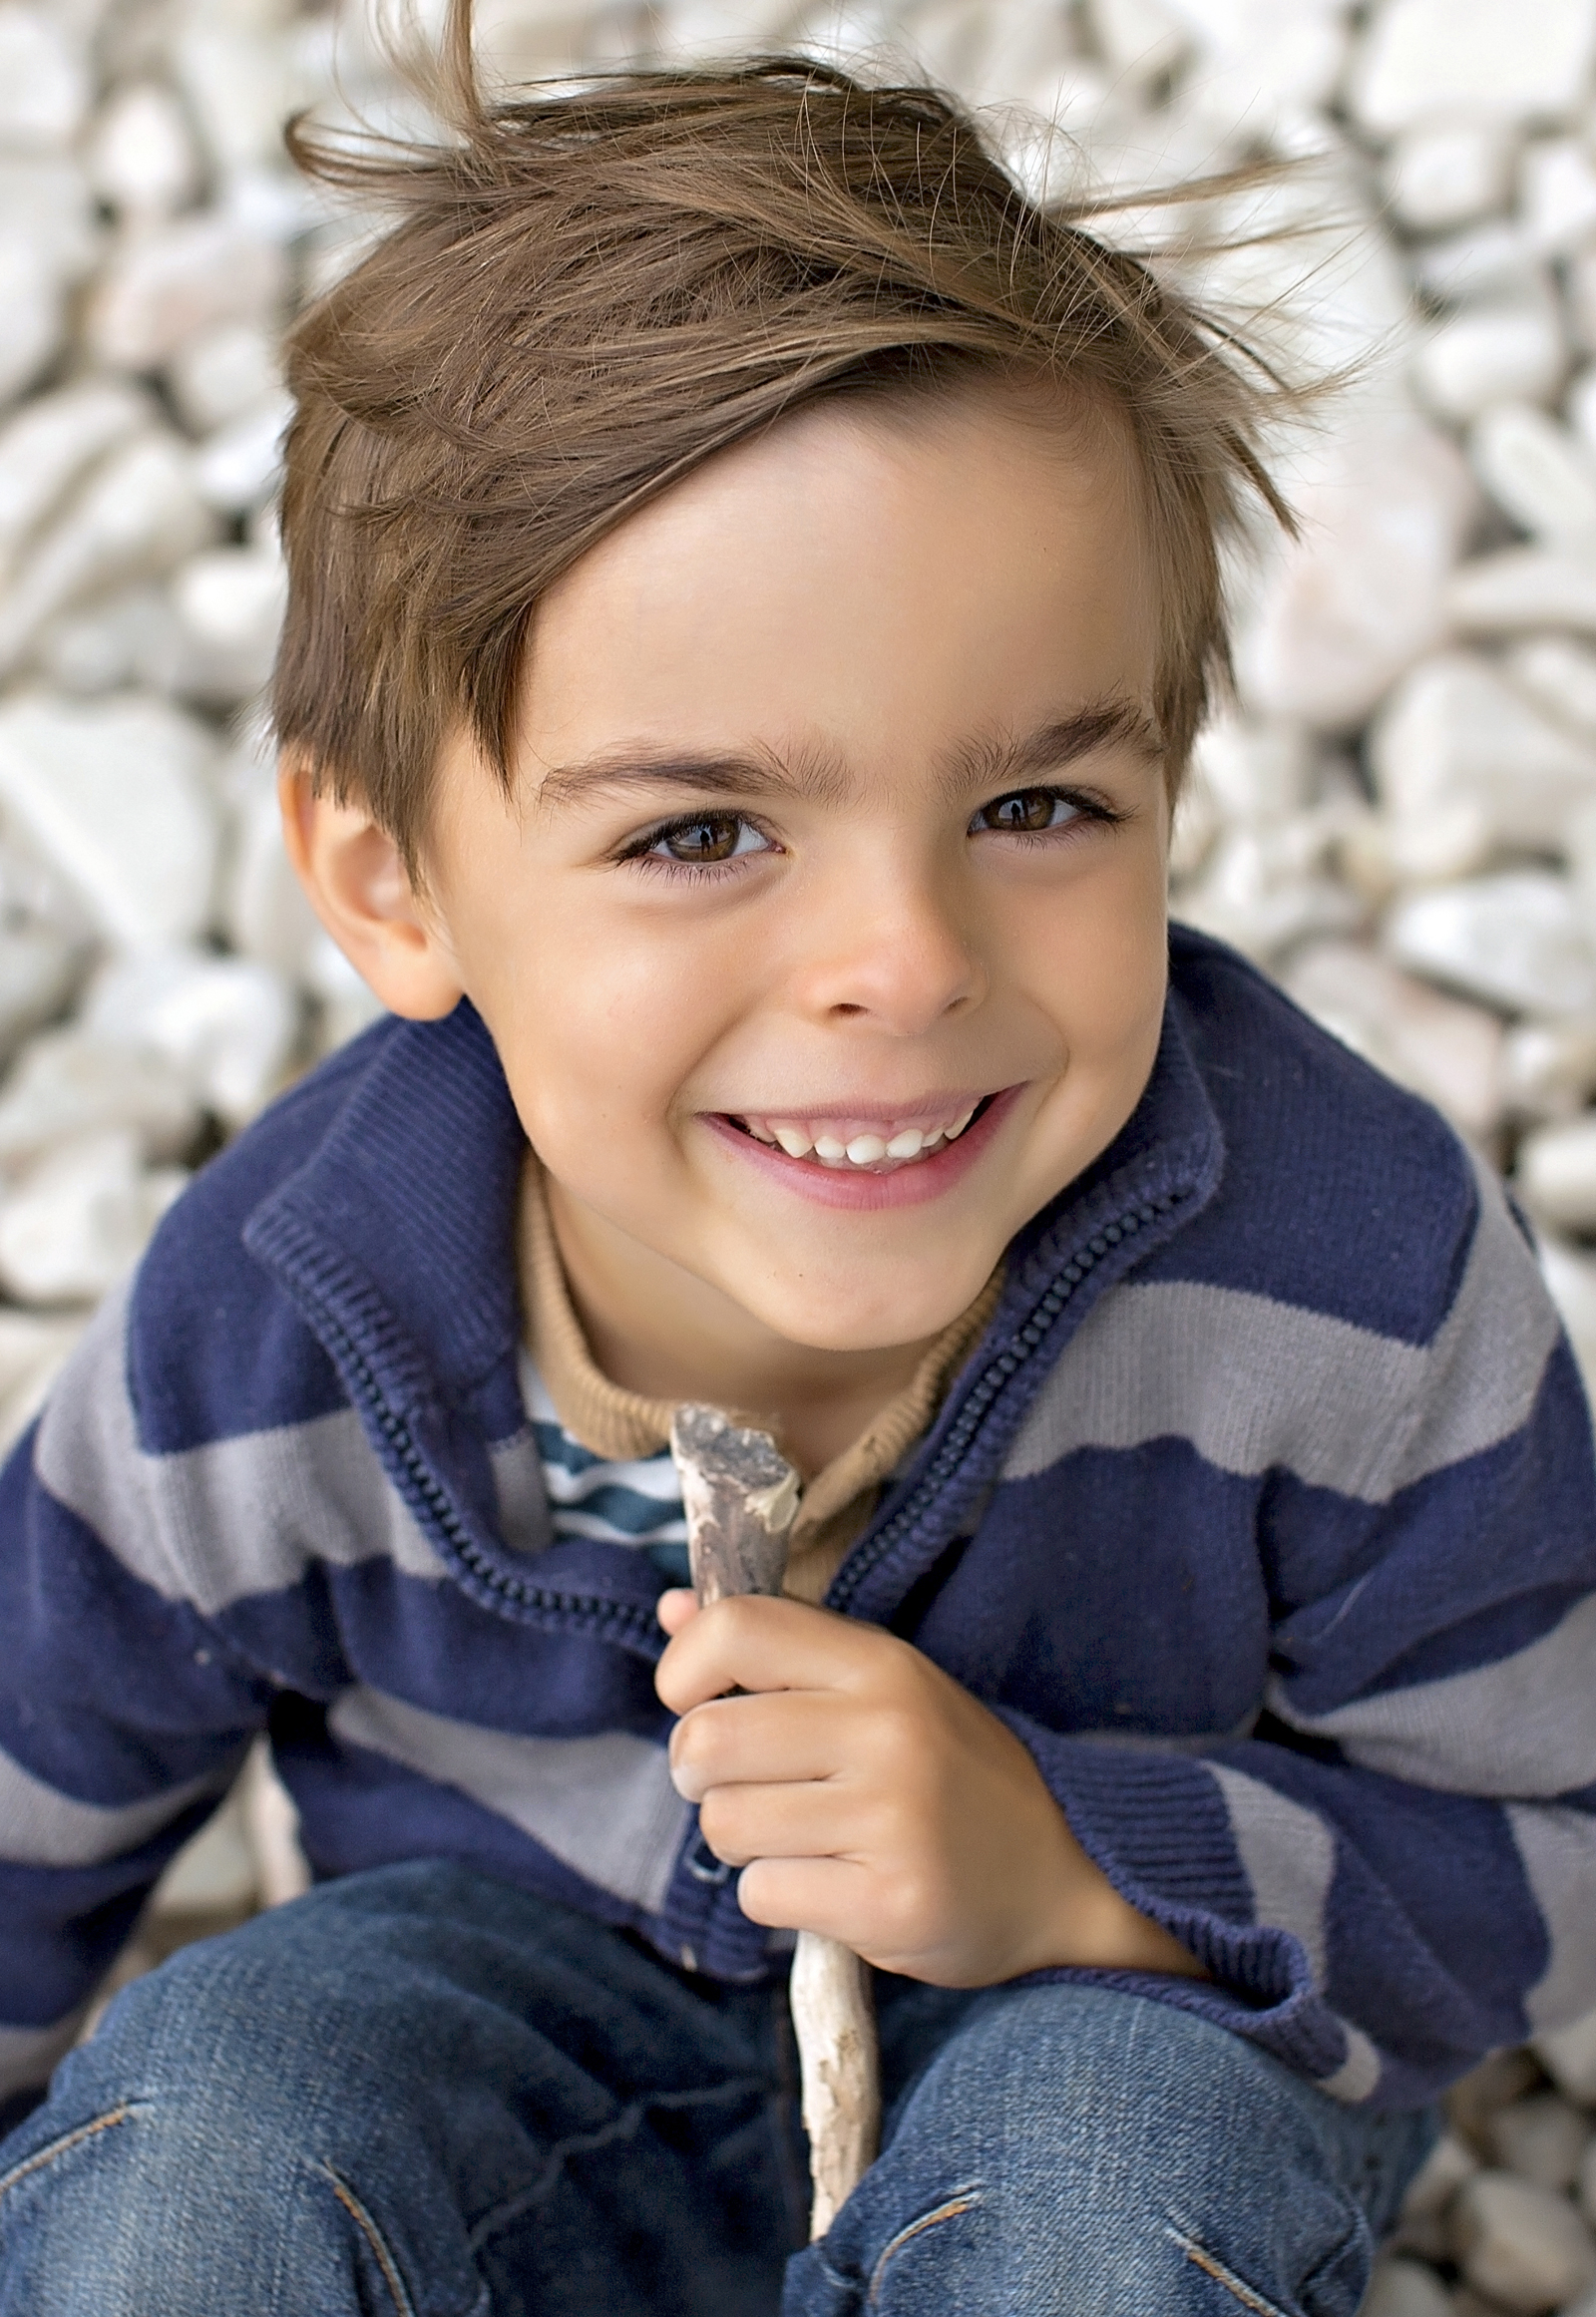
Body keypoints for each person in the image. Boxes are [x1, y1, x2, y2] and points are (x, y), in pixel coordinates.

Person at [1, 14, 1591, 2313]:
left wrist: (1063, 1863)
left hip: (1107, 2024)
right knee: (202, 2129)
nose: (900, 962)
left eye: (1033, 804)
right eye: (699, 831)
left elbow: (1541, 1844)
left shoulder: (1349, 1281)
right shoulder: (281, 1317)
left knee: (1109, 2175)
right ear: (389, 883)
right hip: (498, 2047)